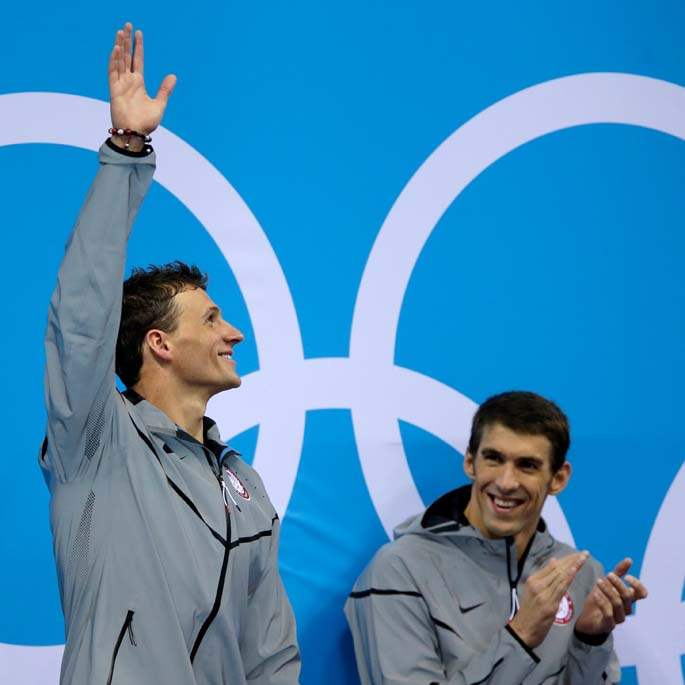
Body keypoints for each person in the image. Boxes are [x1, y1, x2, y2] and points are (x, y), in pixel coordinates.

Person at [40, 23, 300, 685]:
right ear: (158, 343)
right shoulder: (97, 442)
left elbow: (271, 652)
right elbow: (79, 320)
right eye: (211, 318)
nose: (233, 333)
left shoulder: (245, 486)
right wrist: (127, 150)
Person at [344, 391, 648, 684]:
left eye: (526, 465)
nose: (506, 482)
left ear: (559, 478)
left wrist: (590, 641)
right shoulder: (399, 570)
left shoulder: (580, 574)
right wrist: (521, 635)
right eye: (494, 458)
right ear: (470, 462)